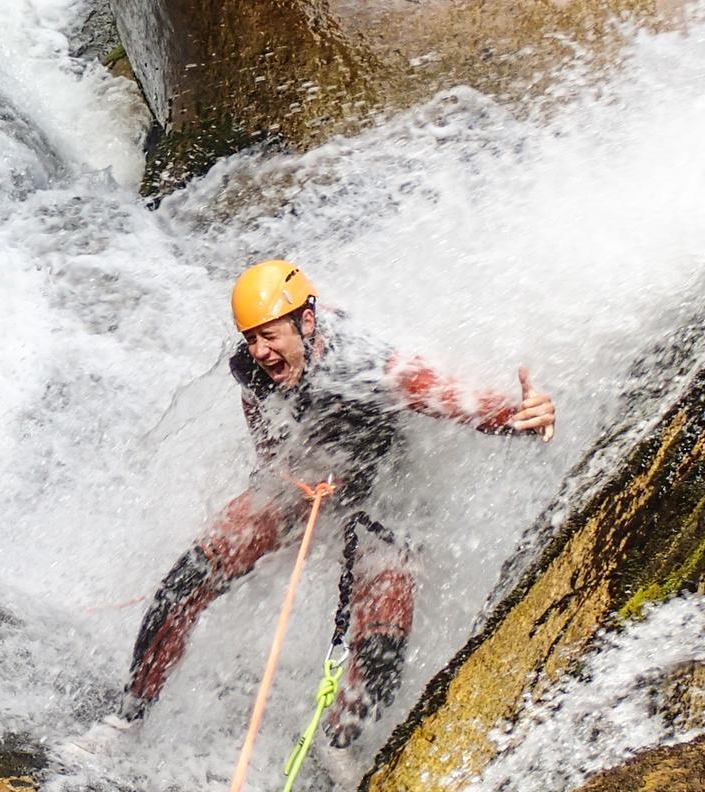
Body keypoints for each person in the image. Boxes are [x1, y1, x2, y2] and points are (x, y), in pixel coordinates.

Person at [110, 259, 556, 753]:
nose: (261, 351)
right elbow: (264, 428)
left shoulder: (372, 366)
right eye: (251, 338)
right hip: (312, 469)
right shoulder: (251, 365)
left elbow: (456, 401)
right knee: (186, 582)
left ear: (307, 321)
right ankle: (126, 721)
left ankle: (342, 750)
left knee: (381, 644)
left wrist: (520, 416)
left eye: (271, 336)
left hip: (392, 485)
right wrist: (280, 481)